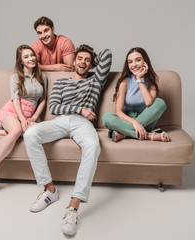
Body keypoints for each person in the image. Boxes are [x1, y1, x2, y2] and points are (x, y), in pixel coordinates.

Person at [23, 45, 112, 235]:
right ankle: (49, 190)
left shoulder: (96, 81)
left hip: (83, 124)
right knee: (30, 134)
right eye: (80, 58)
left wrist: (90, 61)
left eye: (87, 60)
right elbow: (54, 108)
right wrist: (79, 109)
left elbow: (107, 54)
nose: (83, 62)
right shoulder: (61, 82)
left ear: (91, 64)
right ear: (74, 61)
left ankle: (73, 206)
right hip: (61, 121)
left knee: (93, 146)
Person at [0, 45, 48, 196]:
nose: (31, 58)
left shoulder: (42, 77)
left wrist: (33, 117)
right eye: (26, 57)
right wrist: (22, 119)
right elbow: (15, 101)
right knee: (16, 130)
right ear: (21, 61)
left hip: (28, 116)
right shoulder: (15, 76)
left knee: (34, 133)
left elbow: (42, 100)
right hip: (11, 111)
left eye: (32, 55)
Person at [102, 47, 170, 142]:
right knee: (106, 117)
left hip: (146, 120)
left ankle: (125, 133)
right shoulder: (124, 82)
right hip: (128, 120)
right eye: (130, 62)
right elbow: (118, 112)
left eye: (138, 60)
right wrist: (134, 122)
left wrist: (139, 79)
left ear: (145, 61)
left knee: (160, 102)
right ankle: (148, 135)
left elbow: (149, 102)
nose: (134, 65)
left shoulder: (153, 78)